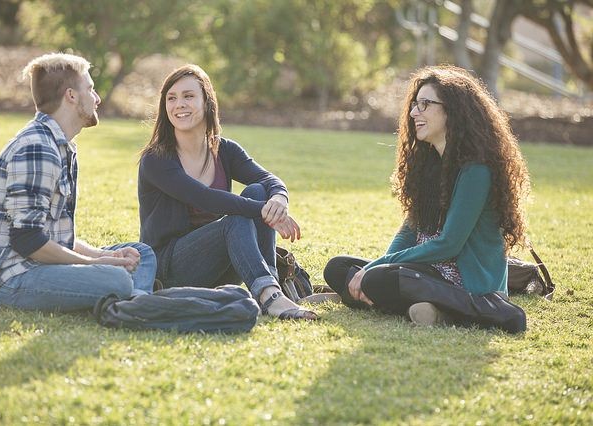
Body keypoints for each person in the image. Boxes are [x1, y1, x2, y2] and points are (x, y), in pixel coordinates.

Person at [324, 65, 530, 327]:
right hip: (427, 272)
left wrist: (377, 272)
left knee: (378, 279)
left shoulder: (476, 171)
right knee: (337, 267)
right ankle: (428, 310)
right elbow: (409, 232)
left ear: (452, 111)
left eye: (424, 104)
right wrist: (376, 267)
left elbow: (449, 245)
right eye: (414, 104)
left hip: (467, 283)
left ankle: (465, 310)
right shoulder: (429, 163)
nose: (413, 112)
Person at [0, 53, 157, 312]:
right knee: (118, 278)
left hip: (35, 264)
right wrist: (95, 266)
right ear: (71, 95)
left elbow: (52, 236)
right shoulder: (37, 147)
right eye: (90, 88)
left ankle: (133, 302)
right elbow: (28, 240)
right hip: (7, 277)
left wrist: (102, 256)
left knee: (140, 253)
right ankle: (135, 303)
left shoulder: (60, 146)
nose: (97, 98)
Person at [138, 64, 316, 320]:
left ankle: (271, 286)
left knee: (257, 190)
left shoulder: (225, 150)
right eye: (171, 98)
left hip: (218, 264)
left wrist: (279, 198)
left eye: (188, 96)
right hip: (170, 268)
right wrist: (266, 212)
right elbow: (206, 198)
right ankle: (270, 296)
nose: (179, 104)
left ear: (207, 101)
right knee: (236, 216)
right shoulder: (156, 159)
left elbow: (267, 179)